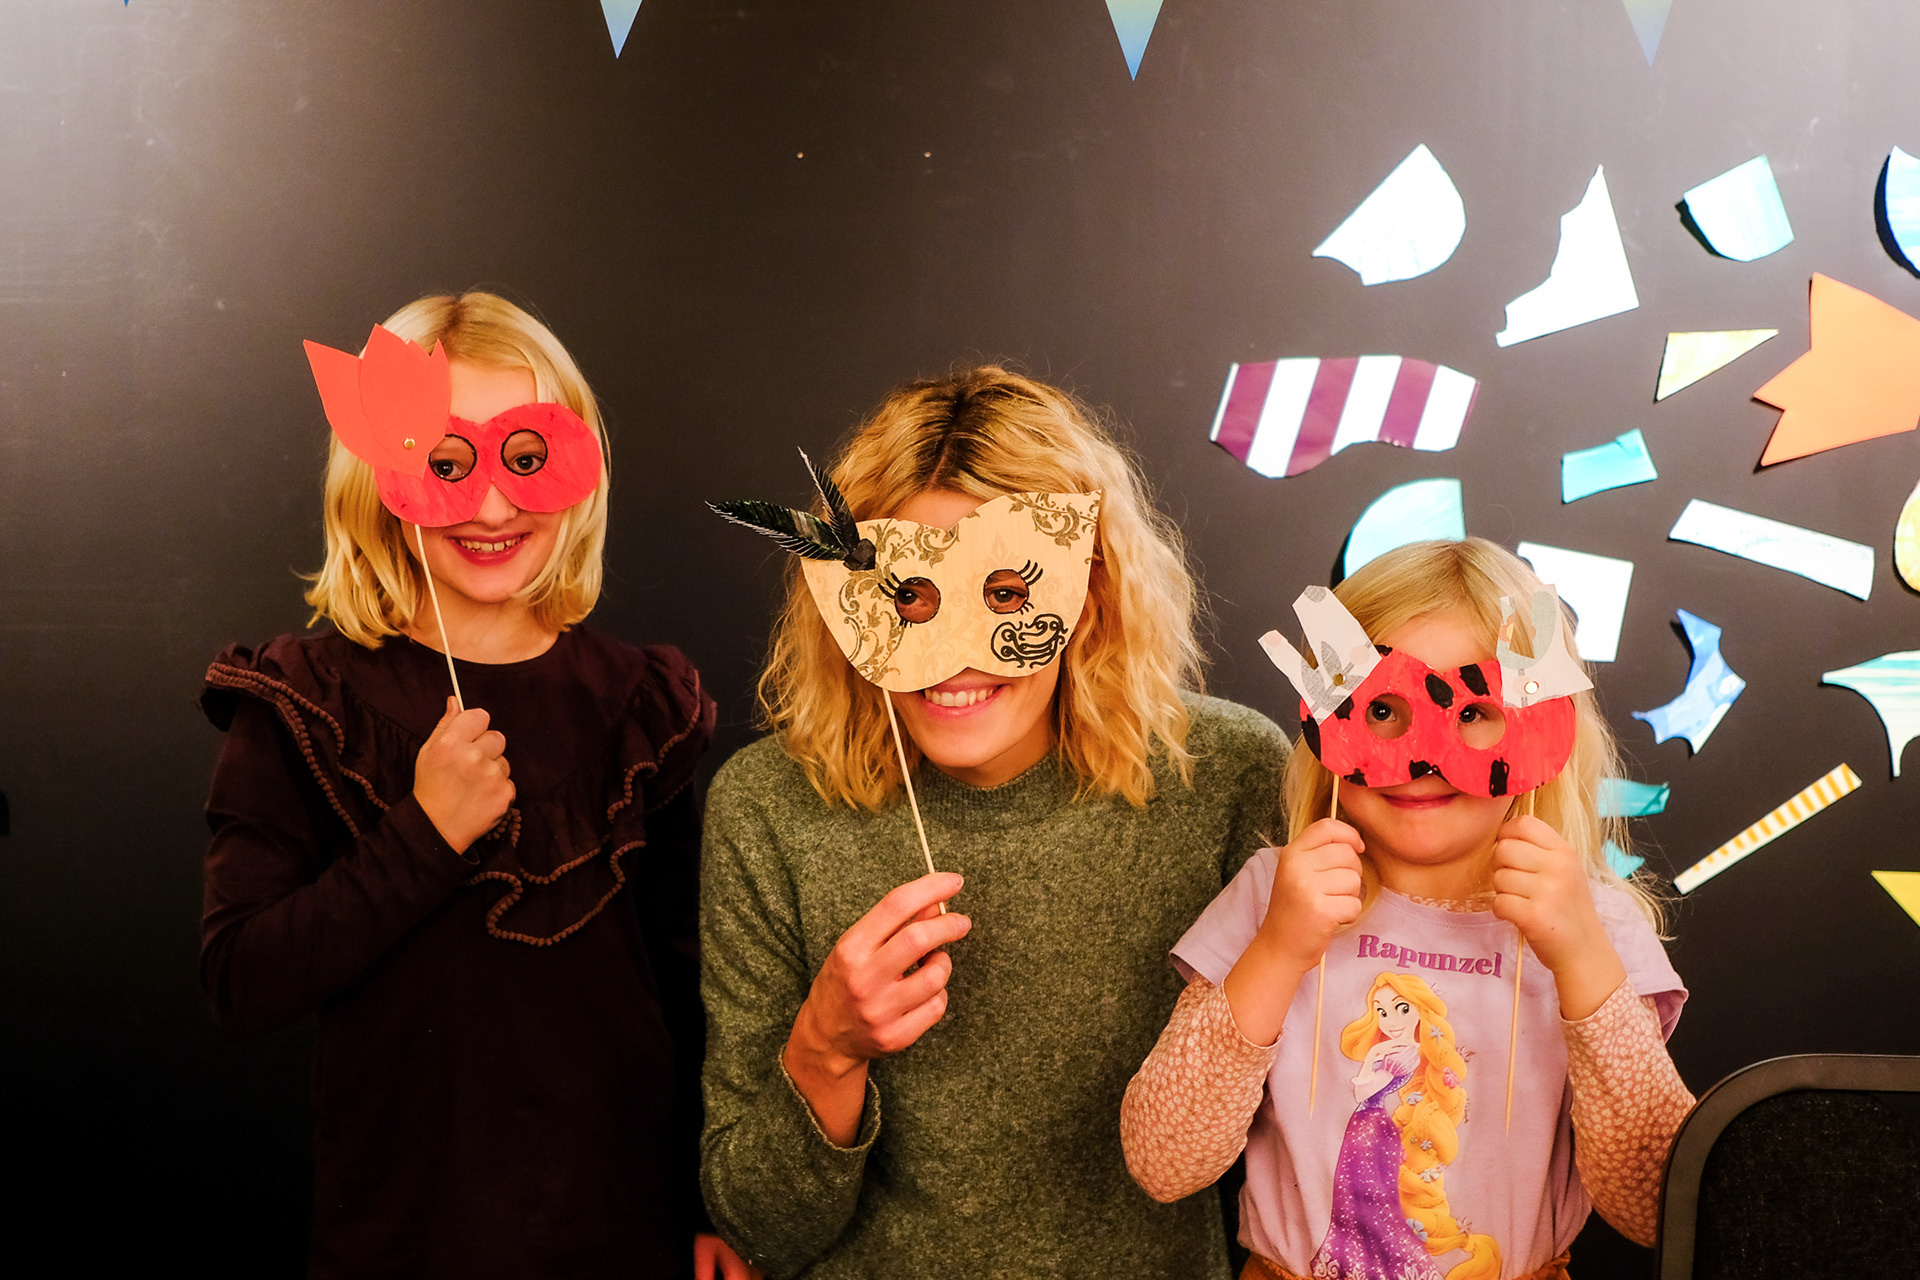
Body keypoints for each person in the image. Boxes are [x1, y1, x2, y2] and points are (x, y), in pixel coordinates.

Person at [198, 291, 750, 1279]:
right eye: (447, 464)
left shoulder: (640, 704)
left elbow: (689, 982)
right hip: (405, 1242)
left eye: (526, 458)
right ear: (378, 473)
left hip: (621, 1235)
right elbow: (241, 978)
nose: (493, 506)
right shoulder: (303, 700)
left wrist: (707, 1203)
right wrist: (424, 833)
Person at [698, 366, 1291, 1279]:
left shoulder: (1224, 776)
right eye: (908, 597)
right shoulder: (768, 809)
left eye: (1006, 593)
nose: (953, 653)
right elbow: (762, 1229)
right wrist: (826, 1048)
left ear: (1090, 591)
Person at [1120, 538, 1694, 1280]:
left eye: (1475, 710)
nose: (1421, 757)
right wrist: (1278, 949)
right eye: (1382, 708)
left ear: (1541, 724)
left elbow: (1658, 1206)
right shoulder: (1272, 897)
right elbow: (1164, 1161)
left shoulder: (1597, 928)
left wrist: (1583, 958)